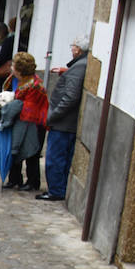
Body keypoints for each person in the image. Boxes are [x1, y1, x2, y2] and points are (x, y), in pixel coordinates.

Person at [41, 36, 88, 201]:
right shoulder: (80, 65)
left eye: (73, 46)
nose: (71, 49)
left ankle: (56, 190)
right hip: (66, 123)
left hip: (63, 123)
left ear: (78, 49)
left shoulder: (79, 66)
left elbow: (70, 97)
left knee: (56, 158)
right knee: (62, 158)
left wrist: (52, 116)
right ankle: (59, 189)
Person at [2, 52, 47, 192]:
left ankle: (33, 182)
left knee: (31, 153)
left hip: (34, 123)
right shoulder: (19, 80)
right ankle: (15, 179)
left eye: (14, 65)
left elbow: (29, 108)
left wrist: (12, 108)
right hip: (21, 121)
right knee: (15, 150)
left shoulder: (34, 86)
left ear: (20, 69)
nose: (12, 67)